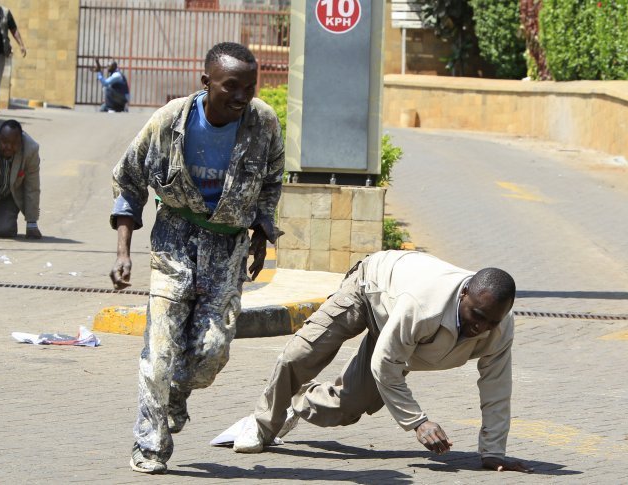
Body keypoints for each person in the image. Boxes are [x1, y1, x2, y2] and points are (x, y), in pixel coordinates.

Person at [109, 42, 284, 474]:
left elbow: (272, 180)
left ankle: (177, 395)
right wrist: (123, 253)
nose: (242, 97)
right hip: (175, 240)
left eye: (249, 87)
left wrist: (262, 231)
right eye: (231, 87)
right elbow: (129, 181)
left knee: (211, 354)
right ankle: (149, 445)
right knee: (160, 351)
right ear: (206, 83)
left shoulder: (262, 124)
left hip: (227, 249)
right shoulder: (169, 122)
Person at [230, 250, 533, 473]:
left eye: (490, 322)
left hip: (400, 329)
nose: (481, 327)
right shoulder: (424, 304)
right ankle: (261, 424)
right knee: (300, 355)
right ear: (464, 293)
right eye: (476, 316)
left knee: (349, 407)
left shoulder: (500, 328)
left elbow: (496, 387)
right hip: (370, 288)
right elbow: (385, 365)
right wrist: (418, 422)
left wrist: (493, 452)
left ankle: (296, 399)